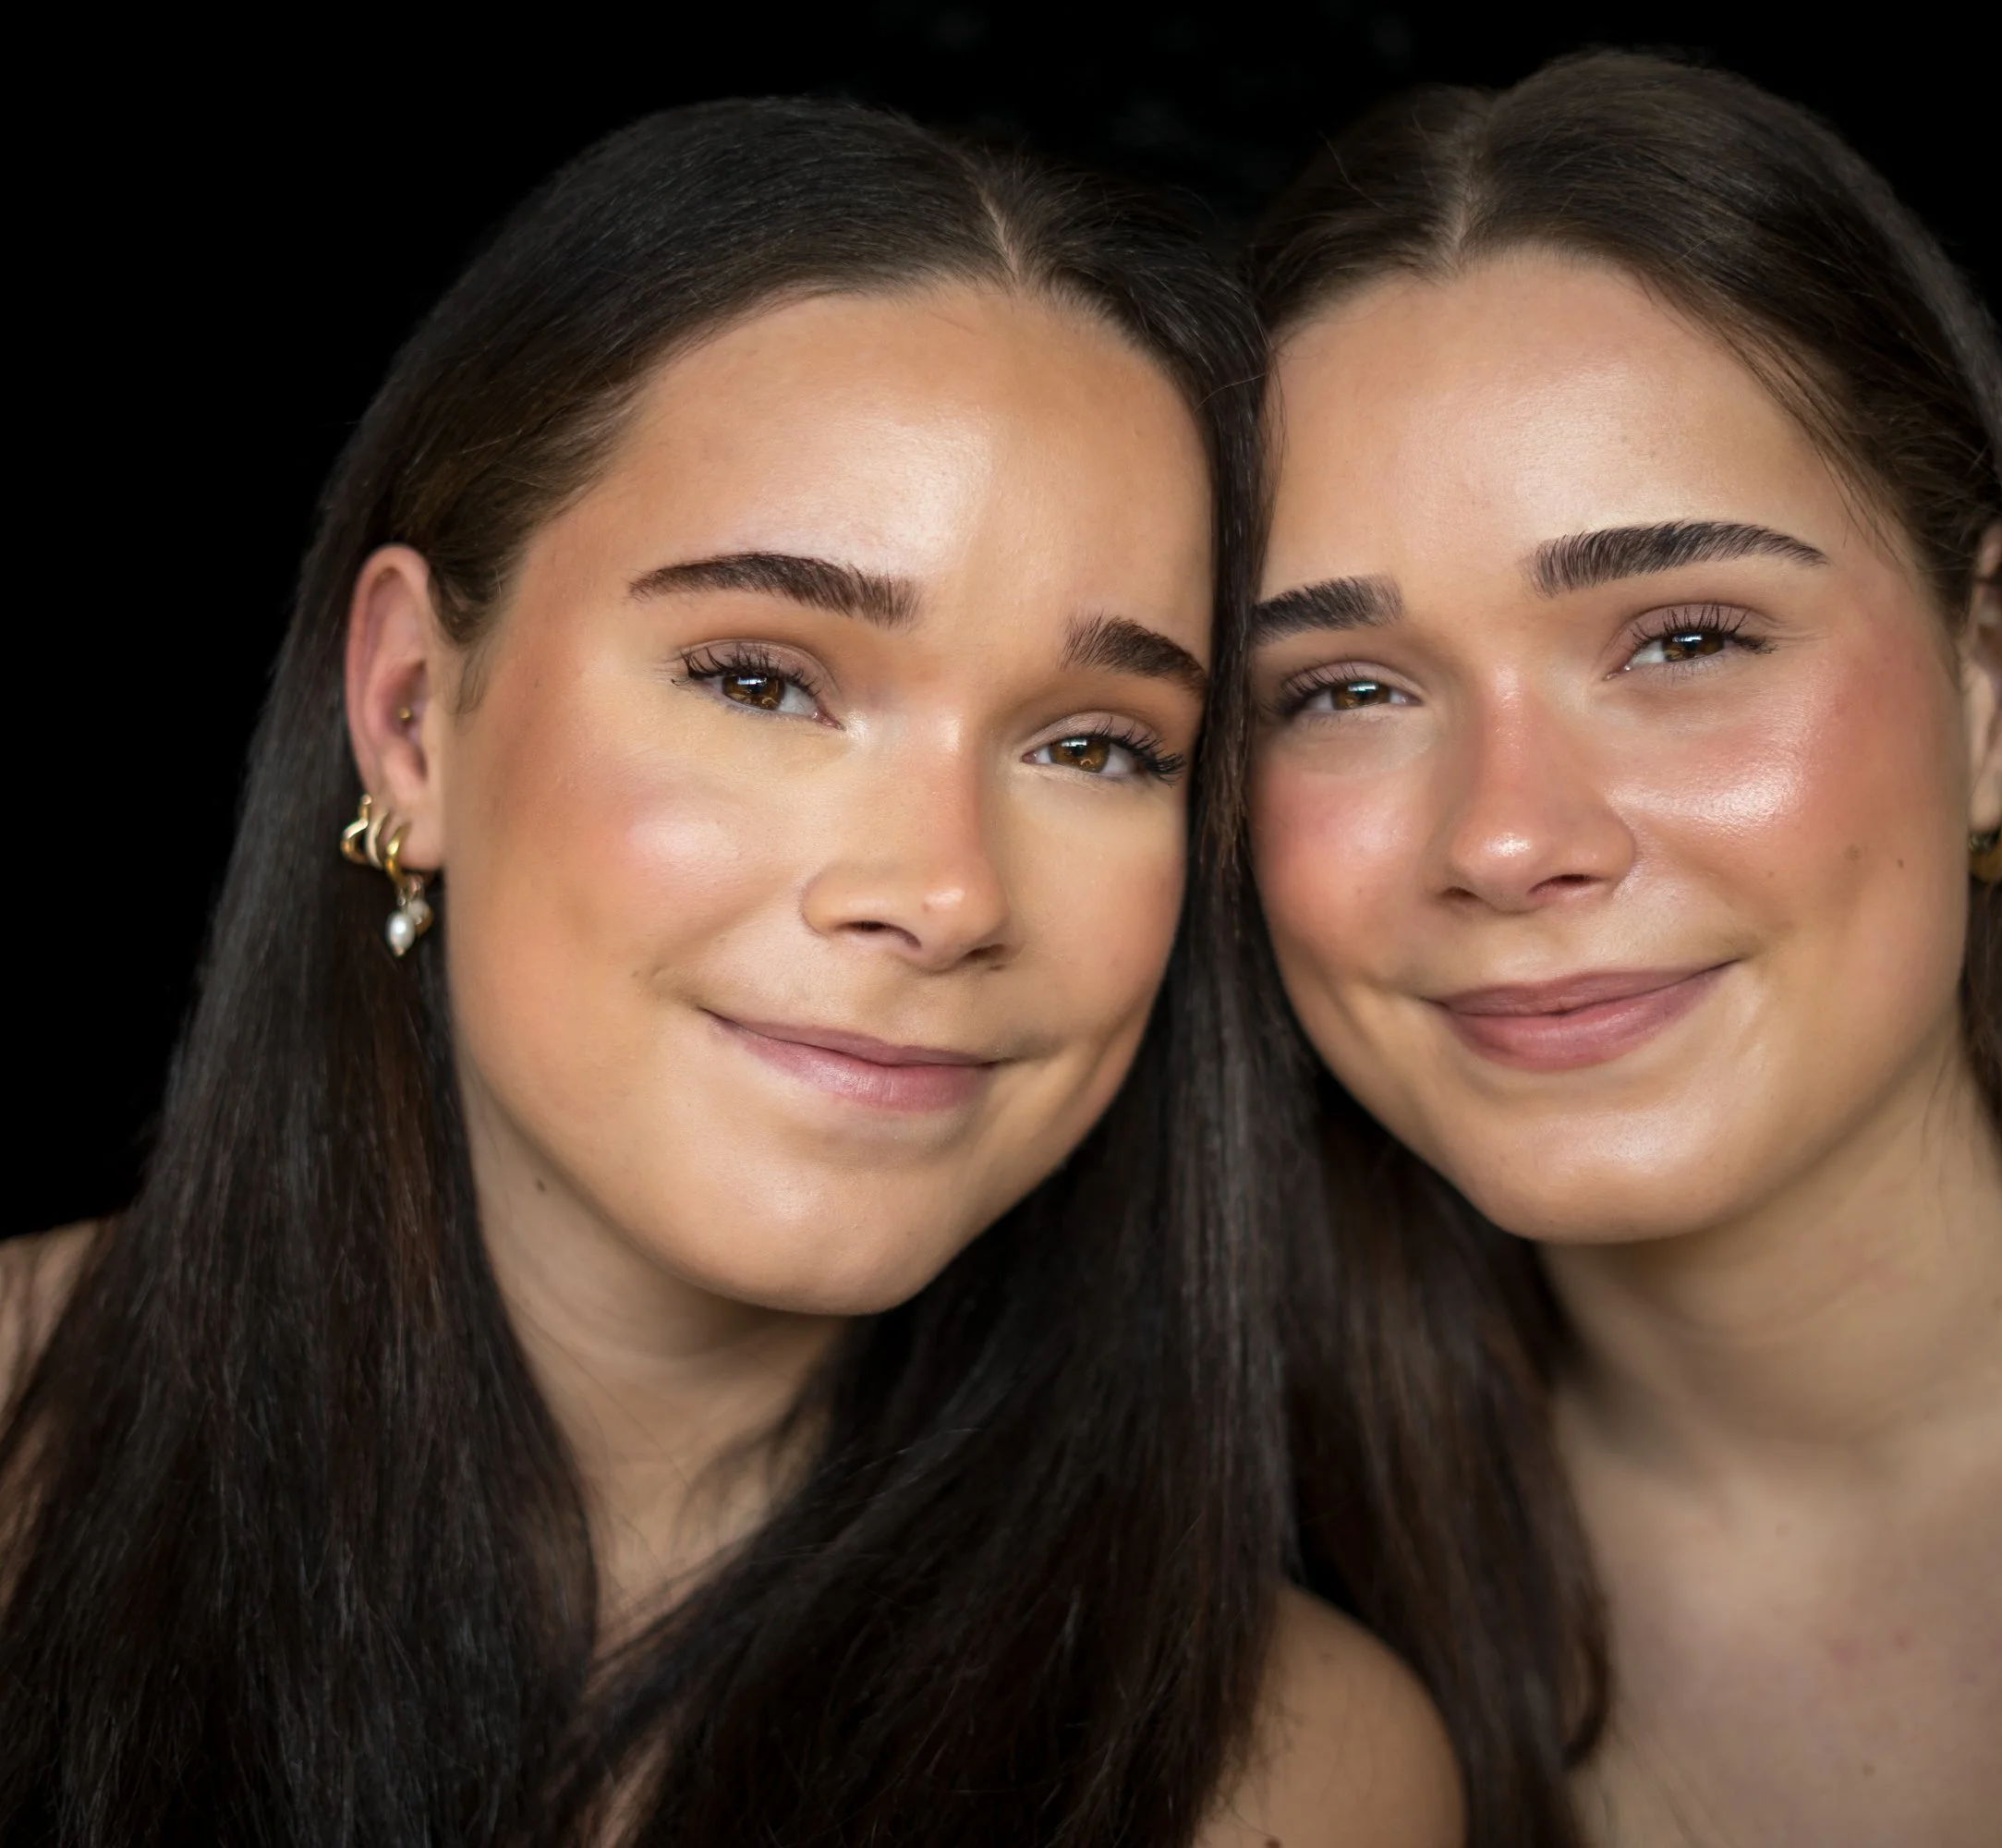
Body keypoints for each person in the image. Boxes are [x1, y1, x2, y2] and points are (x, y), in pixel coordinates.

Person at [0, 98, 1460, 1847]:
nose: (939, 892)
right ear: (408, 716)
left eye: (1095, 744)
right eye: (762, 680)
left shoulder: (1291, 1775)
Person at [1244, 51, 2002, 1846]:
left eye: (1680, 640)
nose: (1508, 837)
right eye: (1344, 688)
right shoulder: (1243, 1612)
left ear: (1992, 690)